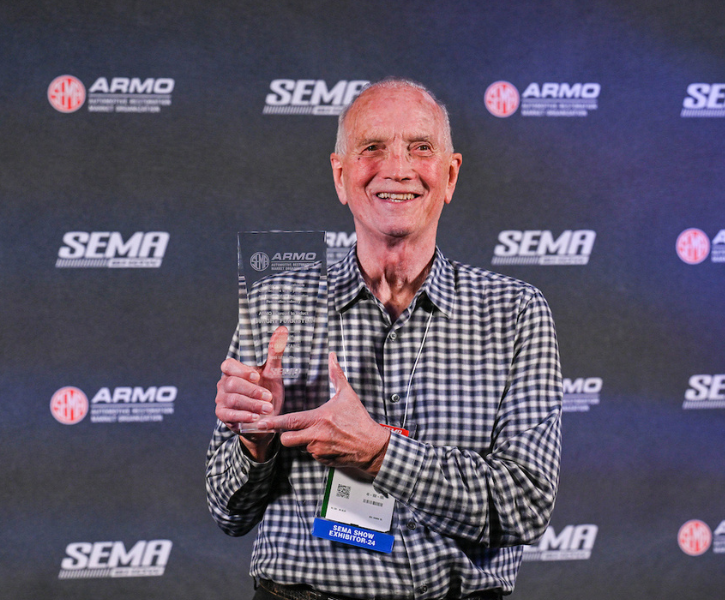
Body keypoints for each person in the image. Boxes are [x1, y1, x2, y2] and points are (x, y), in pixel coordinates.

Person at [206, 77, 562, 600]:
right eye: (372, 148)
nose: (397, 168)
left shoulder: (516, 312)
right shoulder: (276, 306)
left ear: (450, 175)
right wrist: (253, 440)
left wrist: (378, 451)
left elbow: (526, 505)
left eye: (420, 148)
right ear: (341, 175)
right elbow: (227, 511)